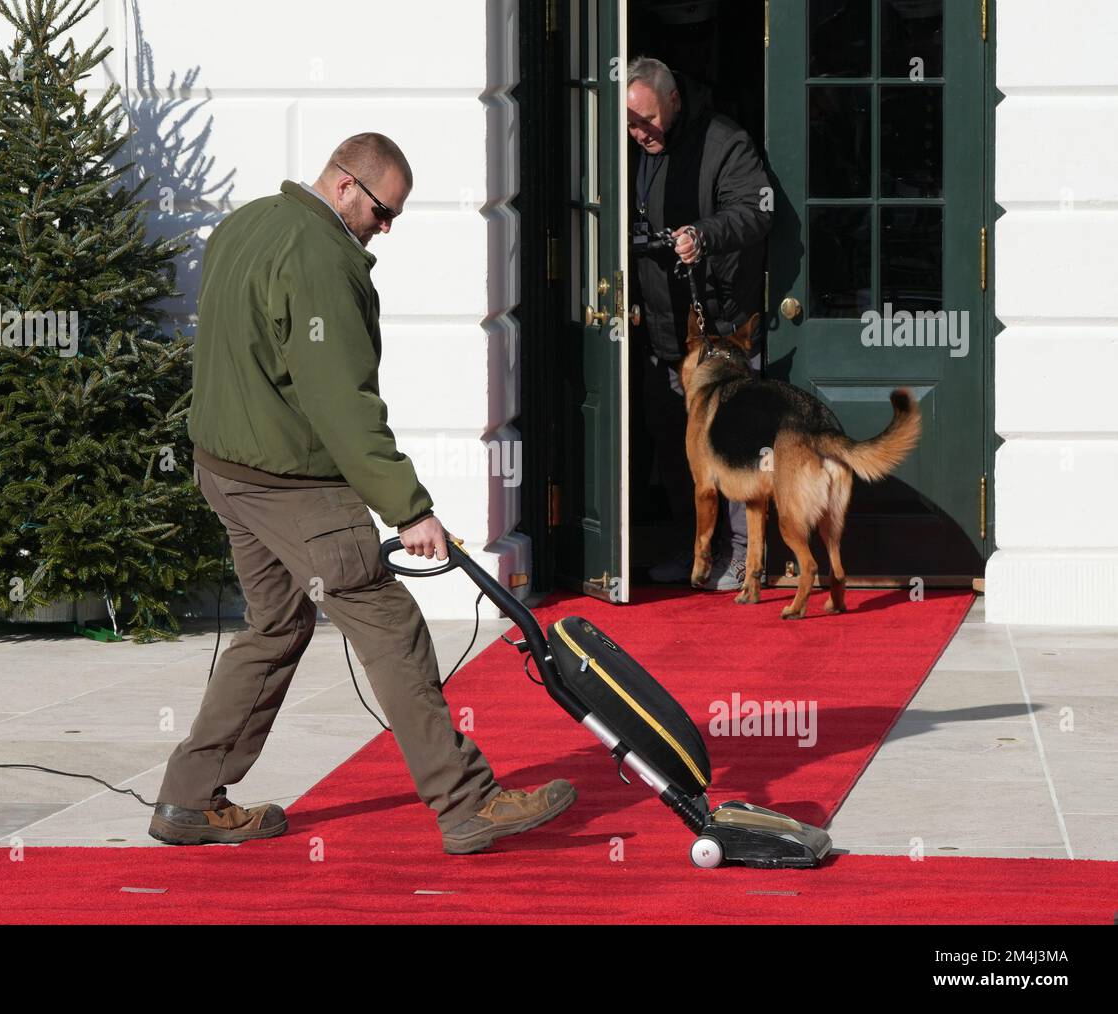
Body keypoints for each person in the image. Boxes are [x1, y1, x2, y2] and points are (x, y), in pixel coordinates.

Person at [149, 133, 575, 855]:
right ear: (346, 185)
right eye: (384, 212)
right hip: (289, 483)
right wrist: (408, 507)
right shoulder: (317, 258)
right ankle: (467, 802)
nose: (387, 228)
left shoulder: (246, 222)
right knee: (392, 629)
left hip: (226, 468)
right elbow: (342, 402)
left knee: (275, 627)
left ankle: (189, 799)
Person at [626, 57, 772, 589]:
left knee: (733, 449)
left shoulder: (724, 140)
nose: (639, 132)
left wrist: (703, 234)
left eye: (647, 120)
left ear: (675, 101)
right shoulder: (622, 145)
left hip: (722, 328)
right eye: (630, 122)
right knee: (674, 447)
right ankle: (694, 550)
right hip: (665, 330)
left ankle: (741, 554)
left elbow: (758, 210)